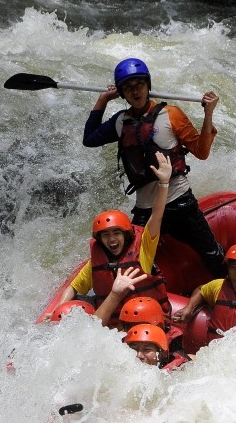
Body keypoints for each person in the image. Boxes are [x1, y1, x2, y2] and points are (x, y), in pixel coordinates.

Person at [82, 57, 225, 279]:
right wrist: (103, 100)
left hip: (180, 202)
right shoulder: (120, 122)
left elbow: (201, 151)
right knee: (131, 263)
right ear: (122, 93)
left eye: (139, 84)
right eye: (128, 88)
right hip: (145, 208)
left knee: (211, 253)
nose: (135, 91)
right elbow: (89, 139)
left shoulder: (171, 114)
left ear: (148, 85)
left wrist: (208, 115)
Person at [54, 151, 173, 326]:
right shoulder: (96, 263)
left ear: (125, 235)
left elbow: (156, 216)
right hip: (114, 326)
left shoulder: (143, 249)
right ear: (100, 239)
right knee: (79, 301)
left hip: (147, 322)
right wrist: (57, 310)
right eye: (106, 235)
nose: (111, 240)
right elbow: (73, 288)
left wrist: (163, 183)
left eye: (116, 234)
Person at [122, 324, 191, 371]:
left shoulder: (174, 372)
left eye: (146, 350)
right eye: (134, 349)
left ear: (161, 354)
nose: (139, 355)